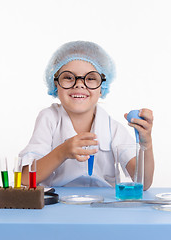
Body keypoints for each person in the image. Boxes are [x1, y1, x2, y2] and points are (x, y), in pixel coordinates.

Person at [19, 41, 154, 190]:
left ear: (102, 87)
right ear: (55, 84)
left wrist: (145, 144)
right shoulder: (48, 119)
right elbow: (25, 179)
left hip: (103, 207)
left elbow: (143, 184)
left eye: (90, 78)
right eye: (68, 77)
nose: (79, 84)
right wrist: (62, 152)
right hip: (57, 207)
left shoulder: (113, 129)